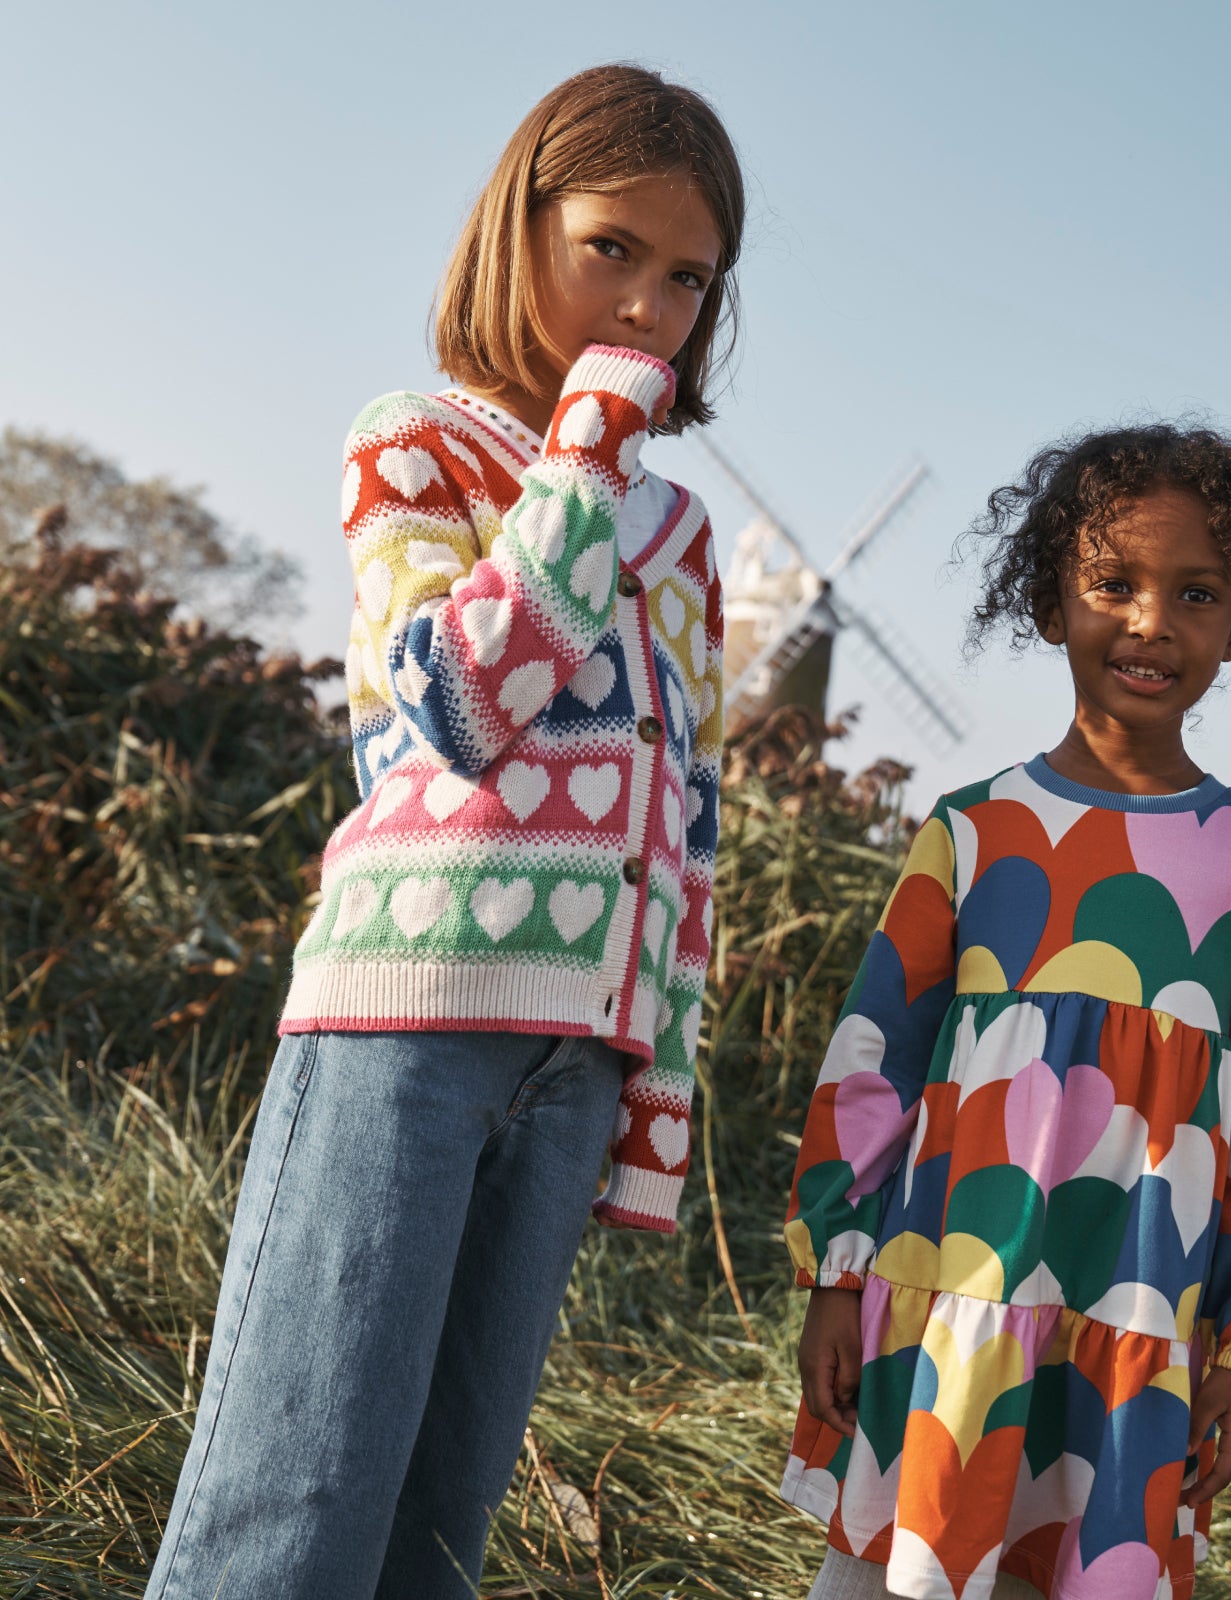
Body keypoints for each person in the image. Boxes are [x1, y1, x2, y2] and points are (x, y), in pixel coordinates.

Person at [144, 63, 743, 1600]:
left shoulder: (684, 546)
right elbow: (455, 712)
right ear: (518, 226)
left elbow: (689, 841)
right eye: (613, 246)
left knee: (436, 1536)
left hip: (573, 1069)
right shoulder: (415, 442)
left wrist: (654, 1089)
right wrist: (586, 451)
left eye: (688, 277)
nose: (650, 306)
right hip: (405, 1023)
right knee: (293, 1511)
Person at [781, 423, 1231, 1600]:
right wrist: (835, 1273)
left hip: (1134, 1334)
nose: (1149, 621)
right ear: (1050, 600)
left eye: (1194, 593)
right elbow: (870, 1066)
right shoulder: (966, 832)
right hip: (942, 1316)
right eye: (1112, 584)